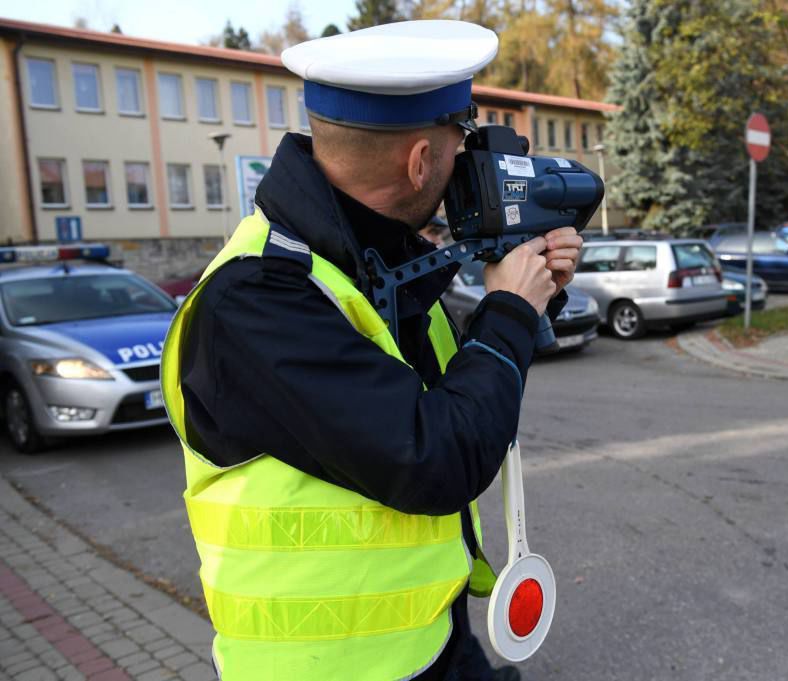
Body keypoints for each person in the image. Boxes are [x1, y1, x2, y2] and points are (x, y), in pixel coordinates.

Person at [159, 20, 583, 681]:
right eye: (459, 143)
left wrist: (533, 296)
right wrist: (509, 310)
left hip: (433, 640)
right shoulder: (256, 299)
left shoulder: (364, 265)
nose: (466, 163)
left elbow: (453, 396)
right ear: (419, 161)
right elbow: (434, 453)